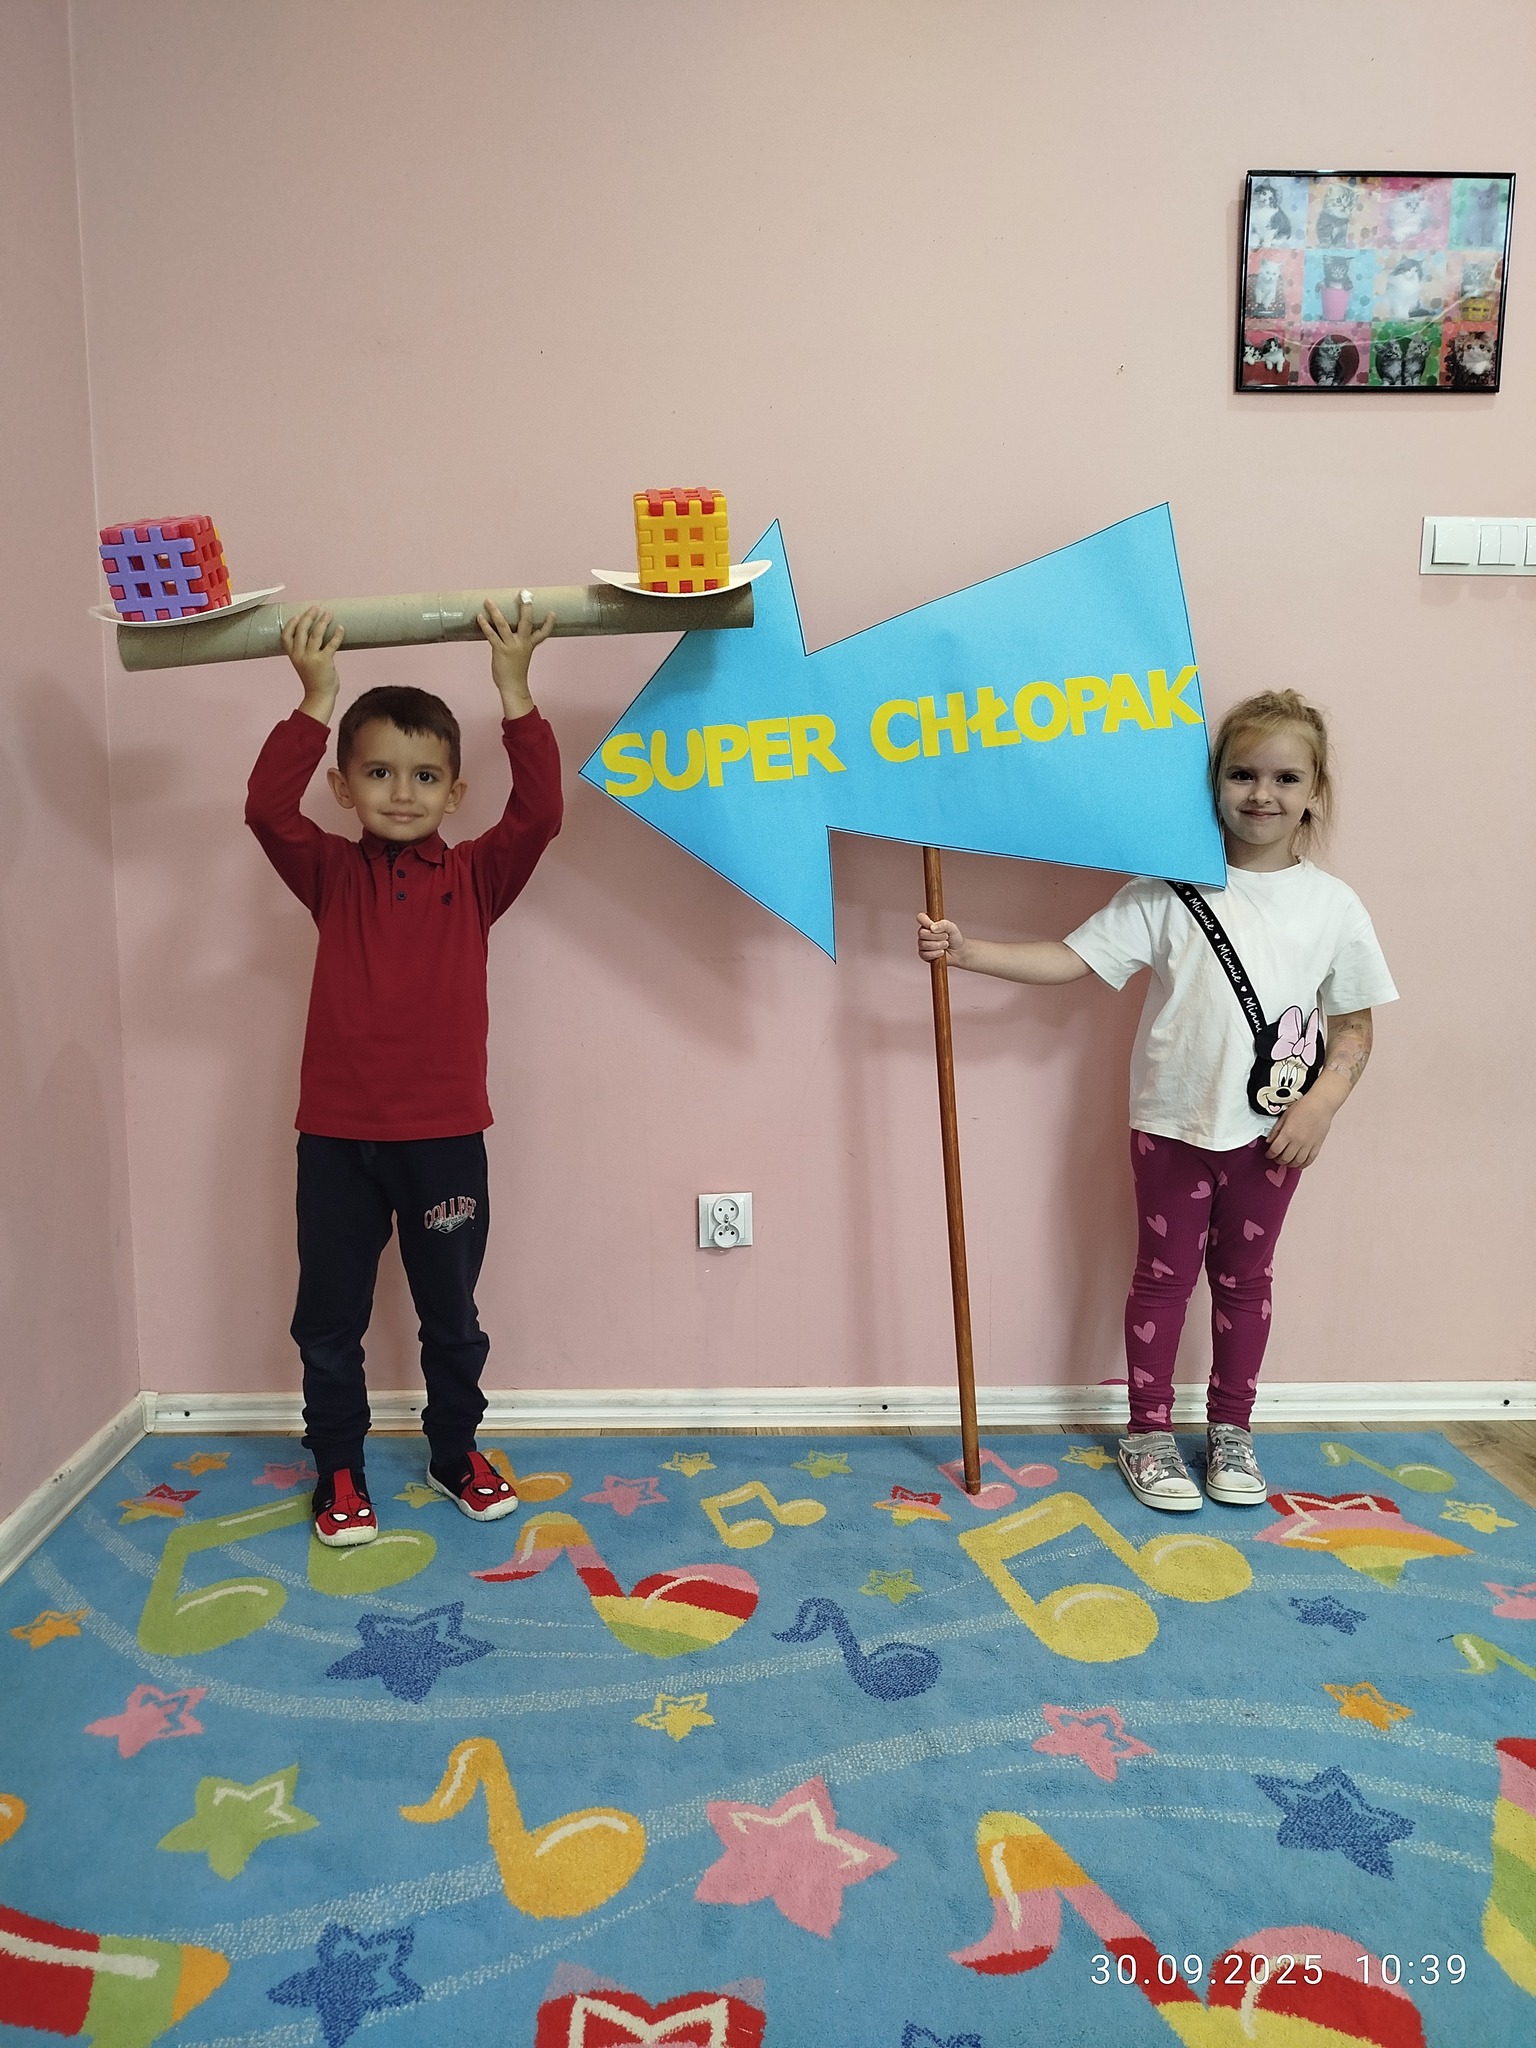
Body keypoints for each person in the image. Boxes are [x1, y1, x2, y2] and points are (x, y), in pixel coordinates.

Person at [917, 690, 1395, 1513]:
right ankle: (1147, 1432)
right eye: (1242, 774)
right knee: (1163, 1280)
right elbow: (1072, 958)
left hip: (1273, 1137)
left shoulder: (1334, 906)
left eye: (1286, 777)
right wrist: (968, 952)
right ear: (1214, 783)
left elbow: (1354, 1024)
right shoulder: (1164, 892)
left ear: (1315, 791)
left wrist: (1320, 1106)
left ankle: (1232, 1430)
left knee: (1245, 1283)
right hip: (1170, 1128)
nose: (1262, 794)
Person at [246, 596, 562, 1545]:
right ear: (343, 787)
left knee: (452, 1316)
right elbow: (264, 809)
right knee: (328, 1318)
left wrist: (515, 693)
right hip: (336, 1140)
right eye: (378, 772)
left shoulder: (475, 877)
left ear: (454, 792)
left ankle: (454, 1449)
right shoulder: (329, 873)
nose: (401, 791)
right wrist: (315, 700)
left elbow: (541, 813)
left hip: (445, 1140)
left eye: (425, 776)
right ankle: (338, 1466)